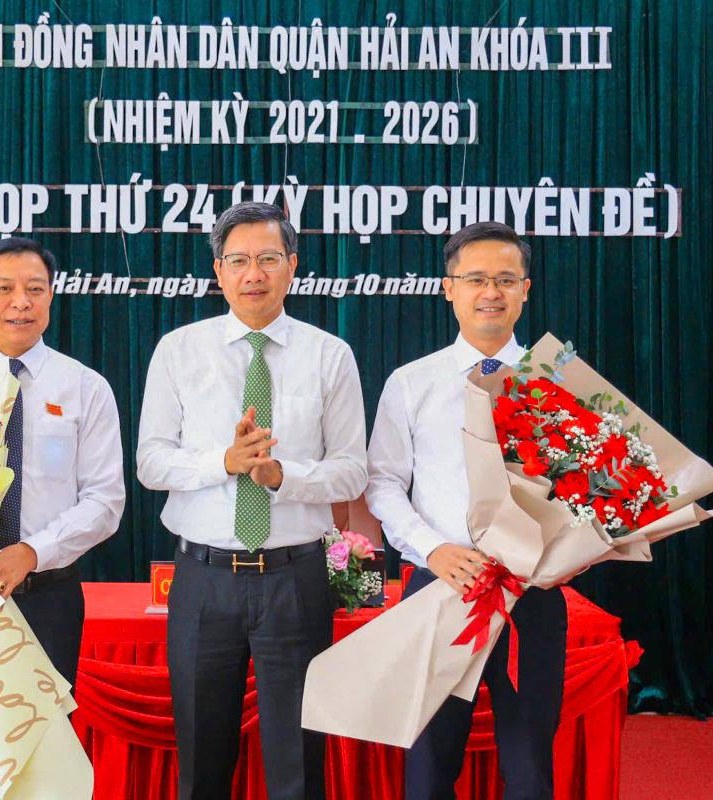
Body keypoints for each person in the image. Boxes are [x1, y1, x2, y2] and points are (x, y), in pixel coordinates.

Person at [136, 202, 368, 800]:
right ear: (218, 271)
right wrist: (225, 462)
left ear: (292, 266)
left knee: (297, 762)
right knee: (202, 758)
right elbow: (151, 463)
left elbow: (350, 472)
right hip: (202, 578)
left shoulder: (329, 354)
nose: (253, 273)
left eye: (268, 258)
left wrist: (279, 476)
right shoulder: (179, 350)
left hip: (295, 579)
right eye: (238, 260)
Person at [365, 221, 567, 800]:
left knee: (530, 768)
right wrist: (433, 548)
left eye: (506, 279)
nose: (491, 292)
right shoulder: (411, 383)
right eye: (475, 278)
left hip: (531, 593)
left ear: (526, 289)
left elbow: (587, 492)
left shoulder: (556, 382)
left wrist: (575, 548)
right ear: (448, 288)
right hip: (440, 587)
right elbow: (383, 484)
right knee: (428, 763)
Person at [0, 237, 125, 800]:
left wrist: (31, 551)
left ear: (52, 297)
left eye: (35, 289)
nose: (21, 302)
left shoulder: (85, 387)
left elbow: (105, 501)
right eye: (5, 289)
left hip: (47, 596)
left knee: (42, 758)